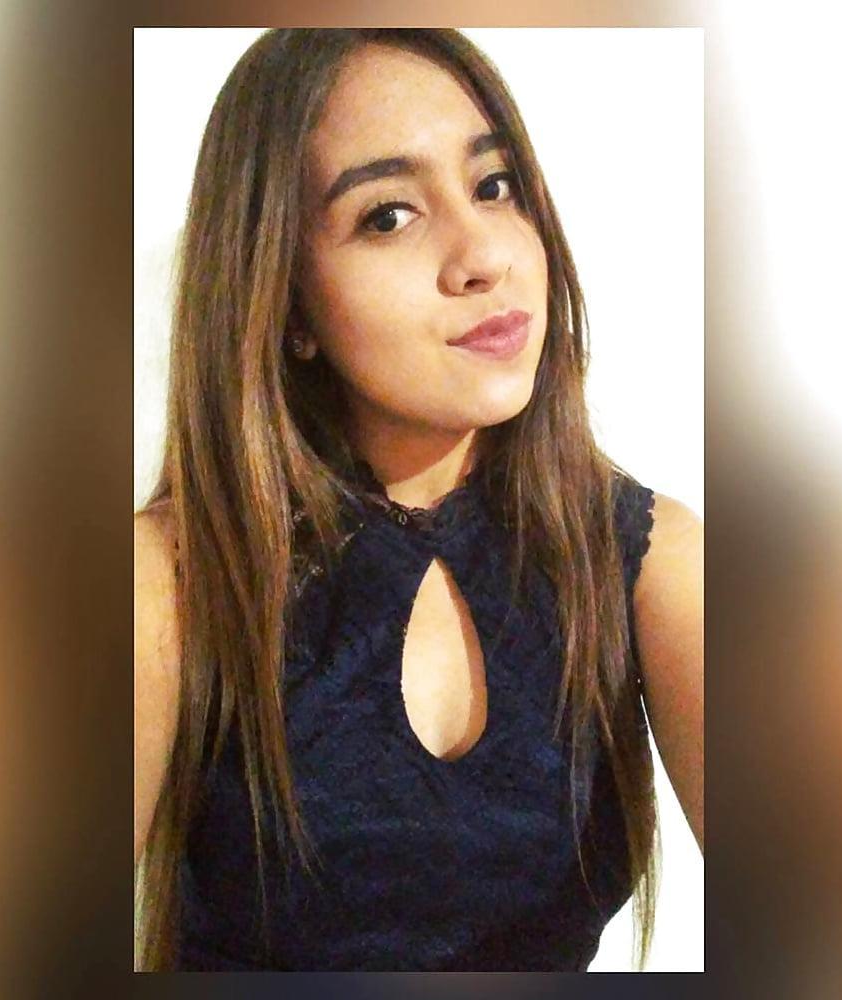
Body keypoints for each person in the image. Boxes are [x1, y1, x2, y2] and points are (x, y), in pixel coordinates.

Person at [134, 28, 703, 972]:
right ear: (287, 303)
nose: (481, 255)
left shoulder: (649, 561)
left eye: (494, 186)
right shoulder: (167, 584)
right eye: (389, 216)